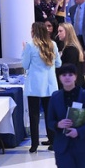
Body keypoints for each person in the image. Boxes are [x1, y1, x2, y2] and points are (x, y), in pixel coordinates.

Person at [23, 22, 62, 153]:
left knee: (34, 115)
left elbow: (25, 65)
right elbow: (58, 64)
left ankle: (34, 144)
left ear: (34, 31)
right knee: (50, 114)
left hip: (35, 85)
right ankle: (53, 140)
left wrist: (24, 51)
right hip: (50, 85)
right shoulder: (53, 44)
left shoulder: (30, 45)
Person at [57, 23, 85, 88]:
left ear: (67, 32)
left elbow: (69, 68)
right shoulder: (73, 47)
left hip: (72, 86)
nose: (58, 34)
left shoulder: (70, 49)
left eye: (60, 31)